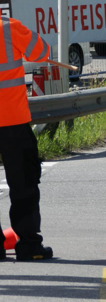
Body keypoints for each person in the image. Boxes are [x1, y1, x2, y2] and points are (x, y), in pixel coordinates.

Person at [0, 15, 54, 261]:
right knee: (23, 184)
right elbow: (42, 52)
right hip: (13, 121)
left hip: (13, 120)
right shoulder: (9, 29)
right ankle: (29, 244)